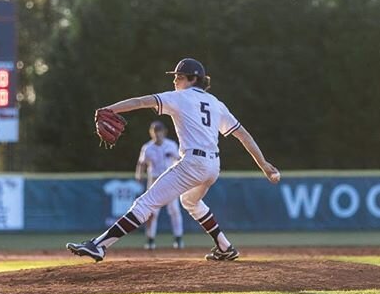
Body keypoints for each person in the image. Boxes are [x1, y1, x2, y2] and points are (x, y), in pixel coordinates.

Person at [67, 58, 280, 261]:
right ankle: (225, 247)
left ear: (193, 78)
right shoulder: (216, 103)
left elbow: (142, 101)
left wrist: (109, 109)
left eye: (179, 76)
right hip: (213, 166)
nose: (174, 80)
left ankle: (99, 245)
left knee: (145, 203)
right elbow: (242, 134)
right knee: (189, 201)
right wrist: (263, 164)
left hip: (193, 164)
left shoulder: (179, 97)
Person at [135, 120, 183, 250]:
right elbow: (141, 163)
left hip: (170, 180)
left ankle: (178, 239)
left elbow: (181, 160)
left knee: (174, 210)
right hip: (155, 181)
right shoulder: (147, 147)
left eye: (159, 131)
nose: (157, 134)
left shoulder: (171, 145)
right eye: (155, 131)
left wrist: (176, 157)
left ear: (164, 132)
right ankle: (150, 240)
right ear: (151, 133)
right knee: (152, 212)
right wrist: (139, 175)